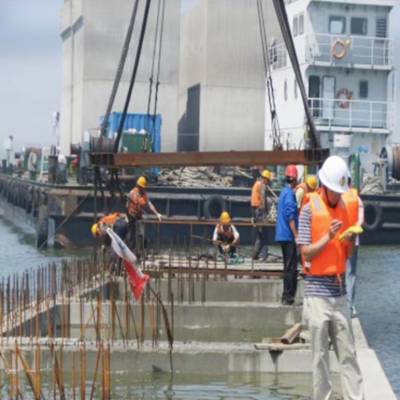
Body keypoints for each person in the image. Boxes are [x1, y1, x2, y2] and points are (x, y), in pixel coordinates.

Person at [297, 155, 364, 400]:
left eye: (340, 192)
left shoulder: (346, 208)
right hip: (317, 295)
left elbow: (350, 252)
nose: (337, 196)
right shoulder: (308, 209)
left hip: (339, 292)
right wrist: (327, 236)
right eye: (334, 191)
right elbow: (305, 251)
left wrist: (349, 241)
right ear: (324, 186)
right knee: (320, 356)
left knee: (348, 353)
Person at [275, 164, 299, 305]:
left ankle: (286, 296)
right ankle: (288, 297)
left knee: (287, 266)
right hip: (289, 236)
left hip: (282, 235)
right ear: (295, 179)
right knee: (291, 267)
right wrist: (296, 235)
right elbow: (290, 215)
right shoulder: (289, 194)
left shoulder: (283, 192)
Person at [343, 178, 364, 317]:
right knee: (350, 274)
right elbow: (361, 220)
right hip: (352, 241)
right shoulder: (357, 199)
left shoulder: (337, 197)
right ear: (351, 183)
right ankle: (349, 306)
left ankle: (339, 303)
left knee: (339, 272)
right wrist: (352, 232)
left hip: (339, 241)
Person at [126, 176, 162, 253]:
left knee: (142, 236)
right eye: (142, 187)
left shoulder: (143, 194)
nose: (143, 189)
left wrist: (157, 214)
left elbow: (149, 204)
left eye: (143, 187)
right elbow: (131, 204)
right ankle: (131, 251)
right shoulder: (132, 193)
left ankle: (141, 251)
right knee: (133, 237)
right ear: (138, 186)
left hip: (139, 216)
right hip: (131, 217)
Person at [251, 169, 272, 260]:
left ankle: (255, 255)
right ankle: (263, 255)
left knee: (260, 235)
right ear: (265, 179)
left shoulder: (256, 184)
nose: (268, 183)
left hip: (255, 211)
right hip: (260, 211)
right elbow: (263, 201)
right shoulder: (261, 185)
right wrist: (266, 214)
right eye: (268, 180)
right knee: (264, 234)